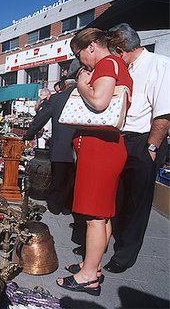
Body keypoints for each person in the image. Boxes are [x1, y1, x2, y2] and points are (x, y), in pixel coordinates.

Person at [56, 28, 133, 296]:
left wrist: (81, 84)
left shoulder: (107, 63)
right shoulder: (115, 64)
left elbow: (100, 102)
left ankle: (88, 276)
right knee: (101, 214)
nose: (81, 63)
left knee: (94, 217)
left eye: (79, 55)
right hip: (103, 149)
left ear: (91, 46)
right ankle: (91, 265)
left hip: (100, 150)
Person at [102, 23, 170, 273]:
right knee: (117, 197)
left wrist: (152, 146)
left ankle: (125, 255)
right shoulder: (125, 68)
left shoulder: (161, 64)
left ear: (120, 50)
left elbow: (164, 112)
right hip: (122, 139)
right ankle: (107, 242)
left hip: (144, 140)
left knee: (137, 203)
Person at [23, 59, 81, 214]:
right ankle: (68, 207)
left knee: (58, 179)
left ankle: (56, 206)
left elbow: (40, 120)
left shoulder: (57, 98)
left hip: (61, 148)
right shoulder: (85, 97)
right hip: (80, 148)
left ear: (64, 84)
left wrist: (27, 135)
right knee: (74, 179)